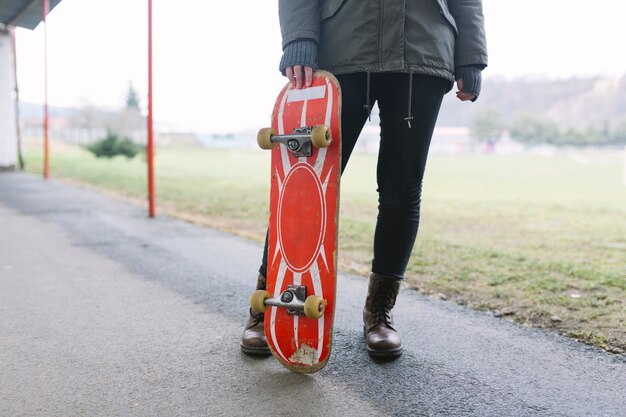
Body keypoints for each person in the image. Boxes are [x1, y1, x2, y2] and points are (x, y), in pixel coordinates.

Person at [242, 0, 488, 358]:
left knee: (401, 191)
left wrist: (470, 54)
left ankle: (379, 314)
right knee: (303, 187)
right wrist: (299, 36)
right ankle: (269, 304)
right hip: (343, 43)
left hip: (423, 49)